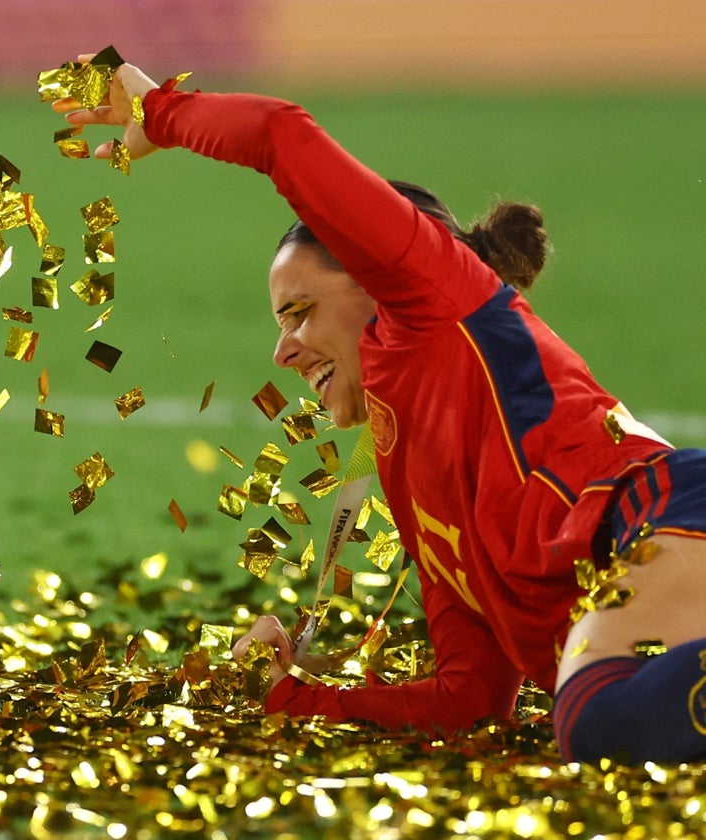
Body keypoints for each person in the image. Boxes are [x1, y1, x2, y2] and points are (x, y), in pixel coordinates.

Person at [57, 58, 706, 764]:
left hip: (663, 514)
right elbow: (469, 700)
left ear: (377, 278)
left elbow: (281, 134)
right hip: (644, 569)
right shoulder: (408, 472)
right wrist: (287, 697)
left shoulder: (433, 298)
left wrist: (165, 116)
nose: (284, 352)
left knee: (597, 724)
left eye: (300, 314)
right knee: (611, 727)